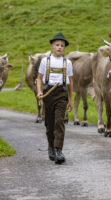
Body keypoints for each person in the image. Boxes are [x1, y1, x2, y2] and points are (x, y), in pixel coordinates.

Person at [36, 33, 73, 164]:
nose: (59, 47)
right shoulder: (45, 61)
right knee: (49, 124)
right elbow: (39, 78)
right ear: (52, 46)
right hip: (48, 93)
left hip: (61, 94)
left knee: (59, 122)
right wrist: (40, 91)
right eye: (57, 45)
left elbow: (70, 82)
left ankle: (58, 150)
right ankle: (51, 146)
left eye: (62, 46)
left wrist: (70, 99)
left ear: (64, 48)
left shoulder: (67, 63)